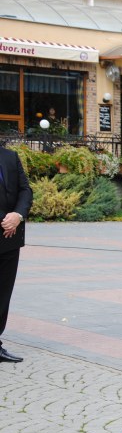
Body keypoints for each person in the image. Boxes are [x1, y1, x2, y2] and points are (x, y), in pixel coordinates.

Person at [0, 146, 33, 363]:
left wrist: (18, 215)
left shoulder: (10, 156)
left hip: (8, 239)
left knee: (3, 294)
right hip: (6, 226)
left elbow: (25, 190)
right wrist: (5, 219)